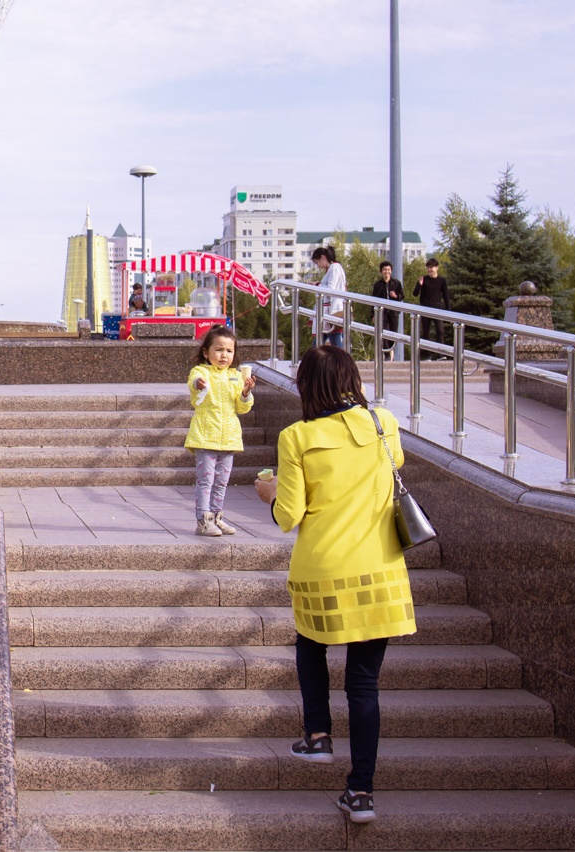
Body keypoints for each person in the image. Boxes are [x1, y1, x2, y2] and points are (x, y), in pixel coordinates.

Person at [255, 345, 416, 825]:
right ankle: (361, 793)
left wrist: (268, 490)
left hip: (321, 569)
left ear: (306, 386)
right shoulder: (384, 423)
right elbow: (396, 467)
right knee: (364, 684)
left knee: (311, 645)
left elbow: (289, 515)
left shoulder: (297, 437)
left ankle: (318, 736)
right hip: (381, 570)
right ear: (353, 380)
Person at [184, 325, 255, 537]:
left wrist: (246, 392)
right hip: (205, 436)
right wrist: (198, 384)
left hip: (229, 438)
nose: (224, 355)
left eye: (229, 351)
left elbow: (242, 407)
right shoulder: (201, 371)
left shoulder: (235, 376)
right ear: (206, 352)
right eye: (219, 349)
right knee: (206, 481)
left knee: (222, 482)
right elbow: (193, 383)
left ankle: (216, 516)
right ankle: (203, 520)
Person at [310, 246, 347, 349]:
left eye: (317, 262)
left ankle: (342, 363)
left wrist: (317, 285)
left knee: (334, 340)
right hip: (329, 310)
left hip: (332, 310)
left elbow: (331, 288)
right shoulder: (333, 268)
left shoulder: (334, 268)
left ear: (322, 257)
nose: (318, 266)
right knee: (321, 340)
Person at [414, 258, 451, 360]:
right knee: (426, 332)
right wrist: (419, 284)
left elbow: (446, 296)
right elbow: (415, 293)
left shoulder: (442, 281)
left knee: (440, 331)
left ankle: (441, 354)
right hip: (425, 309)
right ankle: (426, 355)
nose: (430, 270)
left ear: (437, 268)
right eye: (428, 268)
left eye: (432, 267)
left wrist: (449, 311)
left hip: (437, 309)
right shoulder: (424, 279)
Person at [369, 261, 403, 359]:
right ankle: (387, 355)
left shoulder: (396, 283)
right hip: (382, 313)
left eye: (388, 270)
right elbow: (373, 300)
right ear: (381, 271)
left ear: (391, 271)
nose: (386, 272)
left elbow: (401, 296)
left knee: (393, 334)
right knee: (383, 333)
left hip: (393, 313)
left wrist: (395, 296)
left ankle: (391, 352)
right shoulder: (378, 285)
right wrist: (373, 315)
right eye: (384, 270)